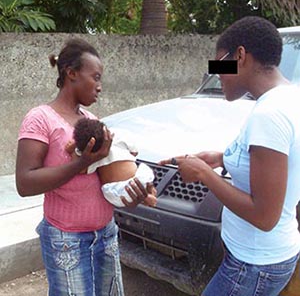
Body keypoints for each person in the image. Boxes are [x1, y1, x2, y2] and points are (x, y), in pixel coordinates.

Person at [160, 16, 300, 296]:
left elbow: (264, 216)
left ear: (240, 56)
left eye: (219, 63)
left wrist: (204, 174)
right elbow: (281, 163)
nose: (216, 73)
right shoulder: (287, 98)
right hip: (261, 258)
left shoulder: (269, 115)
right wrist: (221, 158)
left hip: (253, 265)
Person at [15, 38, 156, 296]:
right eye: (96, 77)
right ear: (71, 74)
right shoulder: (40, 118)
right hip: (66, 240)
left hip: (105, 235)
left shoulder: (91, 120)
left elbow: (105, 179)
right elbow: (25, 182)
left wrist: (130, 195)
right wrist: (82, 162)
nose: (100, 87)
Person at [65, 117, 157, 207]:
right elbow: (134, 152)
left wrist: (72, 151)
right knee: (145, 172)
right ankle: (147, 196)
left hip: (113, 193)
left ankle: (147, 195)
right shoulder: (119, 137)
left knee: (132, 190)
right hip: (136, 182)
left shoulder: (93, 156)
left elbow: (80, 169)